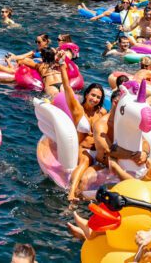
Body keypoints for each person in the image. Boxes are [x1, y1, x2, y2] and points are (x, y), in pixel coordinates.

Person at [59, 61, 106, 202]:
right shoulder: (78, 110)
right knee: (85, 159)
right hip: (81, 149)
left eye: (98, 97)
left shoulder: (102, 112)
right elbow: (67, 88)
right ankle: (71, 193)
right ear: (86, 94)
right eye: (93, 95)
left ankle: (79, 197)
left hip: (97, 153)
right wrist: (62, 67)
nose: (95, 99)